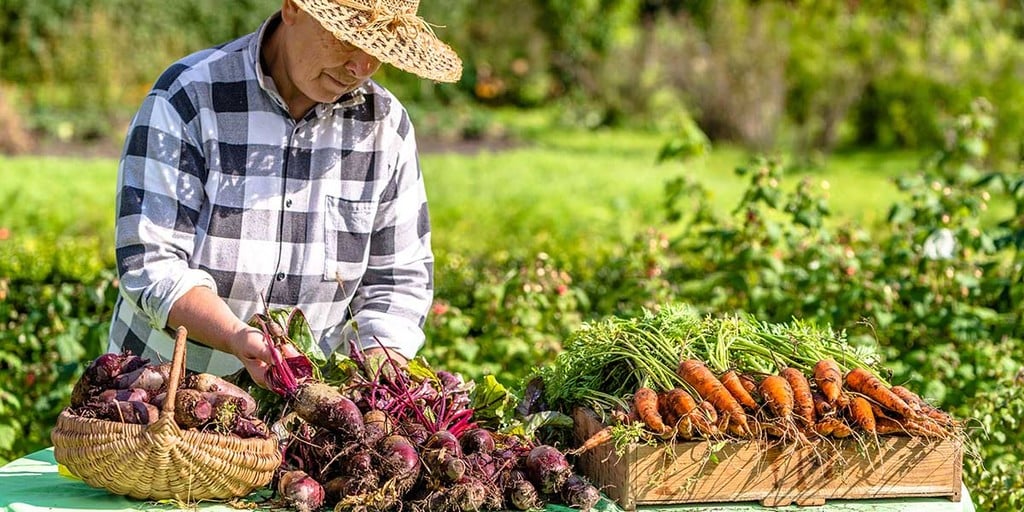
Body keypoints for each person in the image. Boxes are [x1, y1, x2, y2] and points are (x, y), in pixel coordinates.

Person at [107, 0, 462, 388]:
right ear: (292, 8)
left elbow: (398, 281)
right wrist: (234, 336)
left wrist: (374, 374)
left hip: (303, 414)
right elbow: (151, 264)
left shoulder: (384, 127)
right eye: (347, 40)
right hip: (164, 399)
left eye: (378, 50)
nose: (360, 67)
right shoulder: (190, 97)